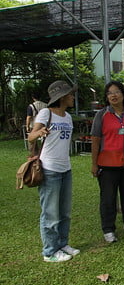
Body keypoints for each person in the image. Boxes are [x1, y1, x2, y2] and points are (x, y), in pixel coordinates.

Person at [28, 80, 78, 262]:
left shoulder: (68, 117)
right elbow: (31, 136)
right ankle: (49, 252)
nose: (73, 97)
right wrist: (39, 133)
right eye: (70, 94)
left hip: (66, 169)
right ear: (62, 97)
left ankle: (63, 244)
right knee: (50, 213)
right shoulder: (45, 113)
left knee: (64, 212)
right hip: (49, 169)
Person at [91, 81, 124, 243]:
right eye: (109, 93)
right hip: (107, 162)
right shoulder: (102, 115)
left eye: (116, 92)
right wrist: (94, 164)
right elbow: (95, 139)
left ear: (123, 94)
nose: (113, 95)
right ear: (106, 97)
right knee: (108, 197)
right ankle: (108, 229)